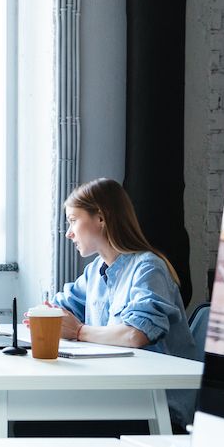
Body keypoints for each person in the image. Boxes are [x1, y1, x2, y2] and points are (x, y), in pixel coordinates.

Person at [52, 177, 201, 428]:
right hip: (117, 395)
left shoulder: (149, 268)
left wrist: (78, 330)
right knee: (38, 418)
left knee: (40, 424)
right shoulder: (94, 272)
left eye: (73, 221)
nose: (68, 233)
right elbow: (58, 310)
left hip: (158, 409)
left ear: (100, 218)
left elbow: (135, 335)